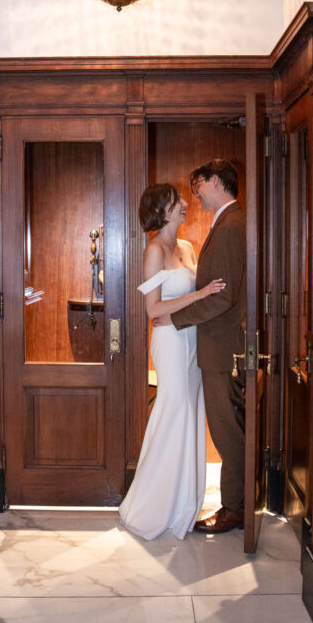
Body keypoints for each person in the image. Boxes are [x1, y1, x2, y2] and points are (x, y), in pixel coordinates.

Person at [118, 182, 225, 540]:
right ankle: (152, 505)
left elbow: (192, 303)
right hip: (170, 343)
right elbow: (153, 310)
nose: (184, 204)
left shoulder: (188, 246)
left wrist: (199, 300)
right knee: (173, 410)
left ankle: (183, 503)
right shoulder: (154, 251)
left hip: (193, 338)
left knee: (191, 414)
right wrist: (198, 294)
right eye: (176, 201)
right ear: (162, 211)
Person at [159, 160, 247, 535]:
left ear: (215, 182)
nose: (194, 195)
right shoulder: (231, 222)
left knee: (227, 431)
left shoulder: (229, 228)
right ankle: (241, 500)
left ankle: (235, 508)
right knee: (234, 427)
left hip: (221, 346)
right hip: (221, 344)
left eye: (197, 186)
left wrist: (174, 319)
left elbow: (221, 298)